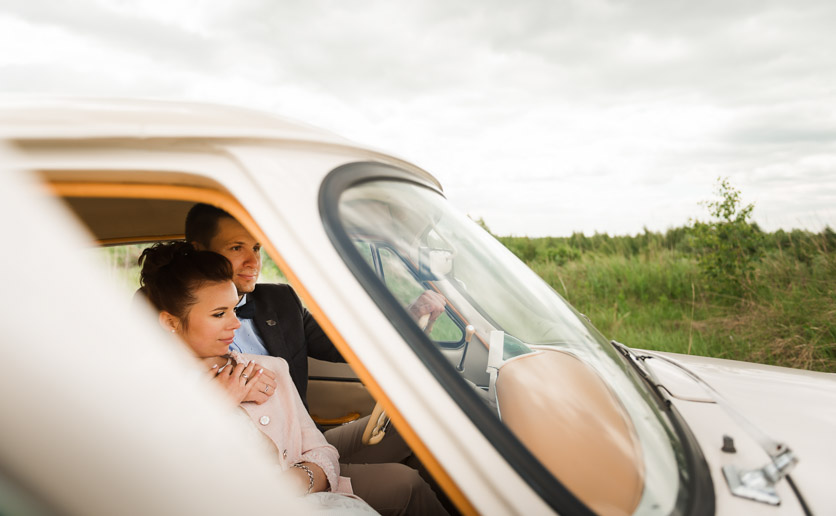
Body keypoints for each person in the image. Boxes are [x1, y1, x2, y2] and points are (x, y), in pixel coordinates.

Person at [185, 203, 450, 515]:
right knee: (406, 483)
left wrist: (411, 317)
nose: (253, 260)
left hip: (307, 441)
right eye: (236, 247)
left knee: (422, 422)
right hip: (261, 466)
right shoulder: (172, 322)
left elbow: (347, 346)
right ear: (199, 251)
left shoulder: (279, 299)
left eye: (257, 247)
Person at [138, 241, 377, 514]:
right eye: (219, 314)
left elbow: (323, 453)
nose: (235, 323)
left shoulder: (270, 369)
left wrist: (292, 484)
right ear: (170, 322)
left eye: (233, 309)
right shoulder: (144, 390)